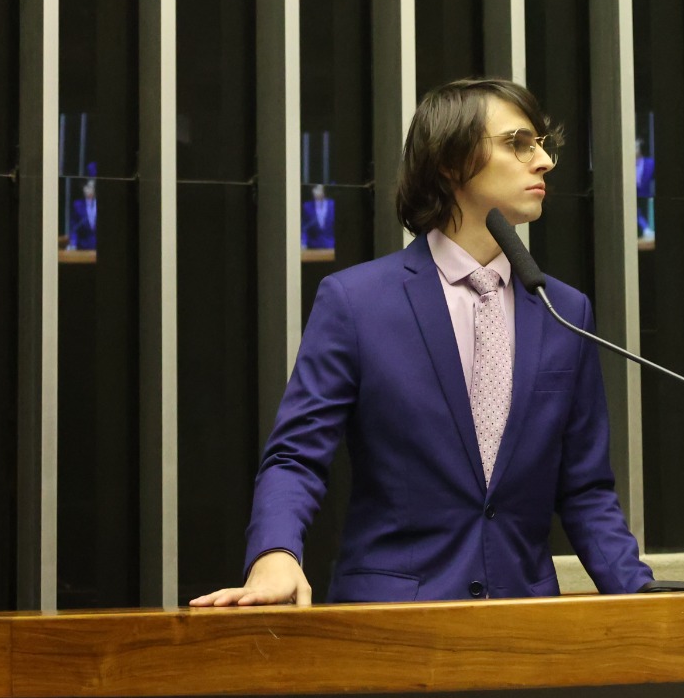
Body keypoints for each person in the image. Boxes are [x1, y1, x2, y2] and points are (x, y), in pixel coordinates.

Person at [190, 78, 653, 606]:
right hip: (392, 624)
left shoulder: (562, 311)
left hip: (525, 624)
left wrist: (648, 599)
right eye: (519, 143)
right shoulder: (356, 302)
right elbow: (296, 455)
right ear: (451, 162)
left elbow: (586, 490)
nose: (543, 161)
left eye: (543, 145)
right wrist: (275, 555)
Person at [300, 182, 335, 250]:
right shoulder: (307, 206)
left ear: (324, 191)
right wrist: (303, 243)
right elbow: (304, 227)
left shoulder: (332, 205)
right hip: (313, 246)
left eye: (318, 189)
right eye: (314, 189)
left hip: (331, 245)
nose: (315, 191)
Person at [68, 179, 98, 250]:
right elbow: (73, 227)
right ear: (84, 188)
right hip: (82, 247)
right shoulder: (77, 205)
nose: (91, 190)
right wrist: (73, 244)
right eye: (89, 187)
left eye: (93, 187)